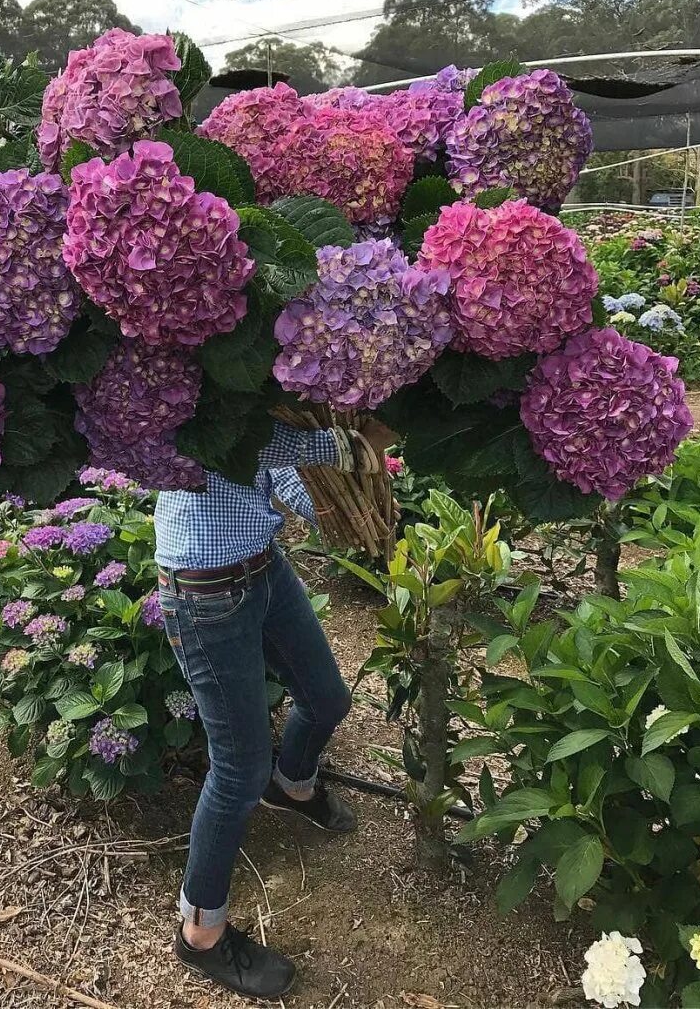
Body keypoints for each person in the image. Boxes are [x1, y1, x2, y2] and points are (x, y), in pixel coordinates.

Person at [155, 417, 395, 1000]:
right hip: (206, 592)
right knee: (237, 771)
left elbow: (271, 469)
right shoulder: (206, 397)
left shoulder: (274, 413)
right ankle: (200, 933)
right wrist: (357, 445)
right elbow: (248, 441)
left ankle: (292, 785)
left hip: (264, 568)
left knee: (327, 699)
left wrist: (341, 510)